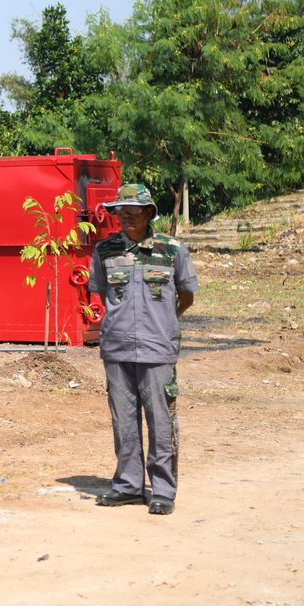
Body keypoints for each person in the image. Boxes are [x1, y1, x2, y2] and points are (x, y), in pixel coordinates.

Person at [87, 183, 198, 516]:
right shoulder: (105, 250)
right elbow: (100, 291)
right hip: (117, 347)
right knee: (123, 421)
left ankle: (163, 489)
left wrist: (163, 321)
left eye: (133, 214)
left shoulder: (172, 250)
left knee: (161, 422)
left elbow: (187, 295)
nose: (125, 220)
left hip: (157, 348)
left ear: (149, 213)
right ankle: (128, 486)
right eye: (121, 214)